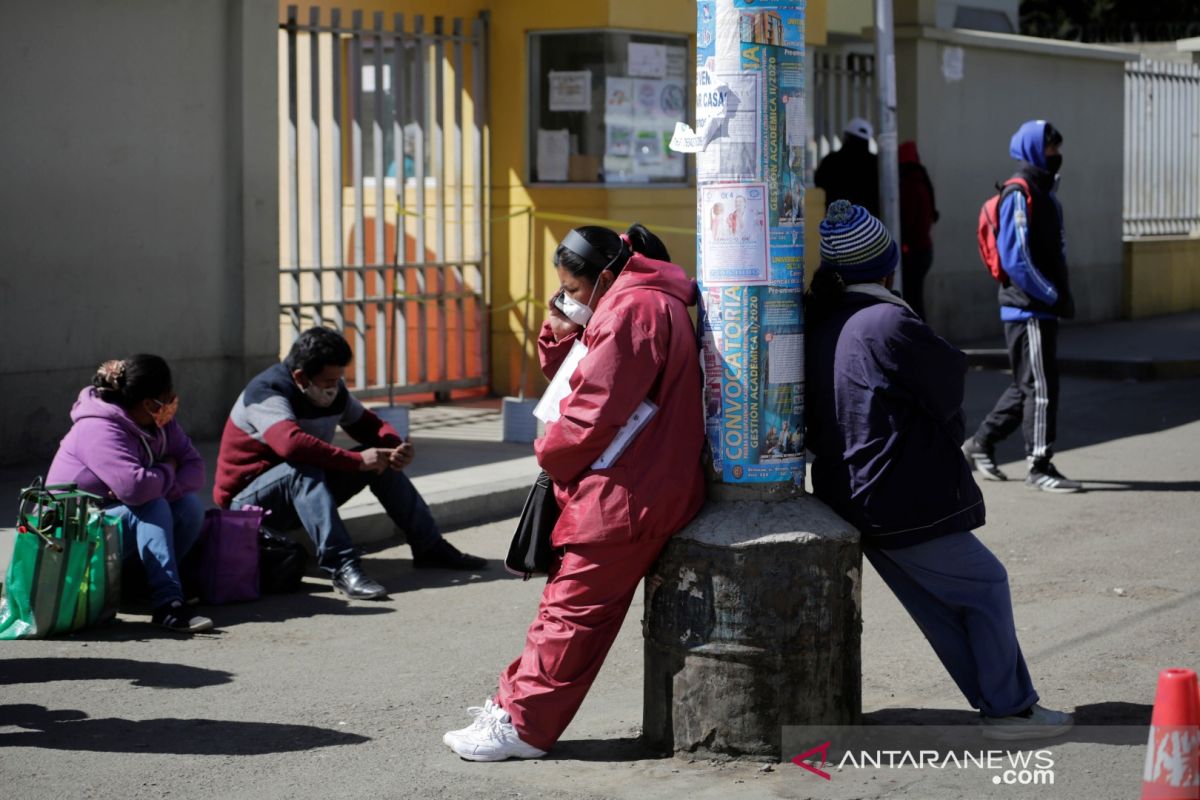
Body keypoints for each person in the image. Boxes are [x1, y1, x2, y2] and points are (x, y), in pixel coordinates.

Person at [805, 200, 1073, 740]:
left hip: (849, 492)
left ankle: (1004, 704)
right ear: (886, 264)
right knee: (985, 585)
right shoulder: (885, 320)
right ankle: (1010, 712)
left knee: (946, 604)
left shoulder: (824, 318)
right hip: (899, 495)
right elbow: (948, 384)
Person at [443, 223, 705, 761]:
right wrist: (565, 326)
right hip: (632, 483)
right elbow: (580, 380)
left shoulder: (635, 310)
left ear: (606, 274)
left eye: (577, 289)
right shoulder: (637, 302)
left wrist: (548, 449)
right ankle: (514, 709)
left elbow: (590, 411)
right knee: (567, 613)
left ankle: (522, 726)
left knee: (570, 615)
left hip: (626, 491)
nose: (570, 298)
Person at [212, 327, 485, 601]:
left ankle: (430, 546)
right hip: (249, 505)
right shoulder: (267, 392)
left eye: (338, 378)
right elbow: (291, 445)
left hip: (300, 492)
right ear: (300, 377)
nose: (335, 386)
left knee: (378, 459)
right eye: (329, 380)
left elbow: (370, 425)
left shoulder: (332, 391)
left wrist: (394, 447)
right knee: (303, 468)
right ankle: (343, 566)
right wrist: (356, 462)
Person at [47, 355, 212, 633]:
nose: (173, 402)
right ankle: (167, 603)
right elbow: (136, 489)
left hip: (110, 523)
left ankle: (138, 588)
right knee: (152, 506)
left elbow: (195, 469)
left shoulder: (159, 423)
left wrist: (153, 480)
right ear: (148, 403)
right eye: (167, 396)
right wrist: (168, 469)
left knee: (189, 506)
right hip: (71, 535)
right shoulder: (98, 428)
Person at [963, 120, 1080, 493]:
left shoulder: (1048, 195)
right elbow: (1017, 259)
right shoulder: (1020, 192)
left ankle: (979, 443)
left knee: (1025, 385)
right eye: (1050, 148)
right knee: (1042, 387)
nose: (1056, 155)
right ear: (1033, 150)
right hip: (1028, 306)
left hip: (1040, 306)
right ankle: (1039, 464)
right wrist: (1051, 295)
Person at [898, 140, 939, 320]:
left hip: (913, 252)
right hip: (922, 250)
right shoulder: (921, 181)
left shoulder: (910, 185)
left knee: (911, 302)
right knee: (915, 300)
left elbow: (907, 221)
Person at [814, 117, 880, 217]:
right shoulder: (876, 163)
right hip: (867, 223)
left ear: (846, 137)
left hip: (838, 223)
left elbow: (819, 182)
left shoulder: (831, 161)